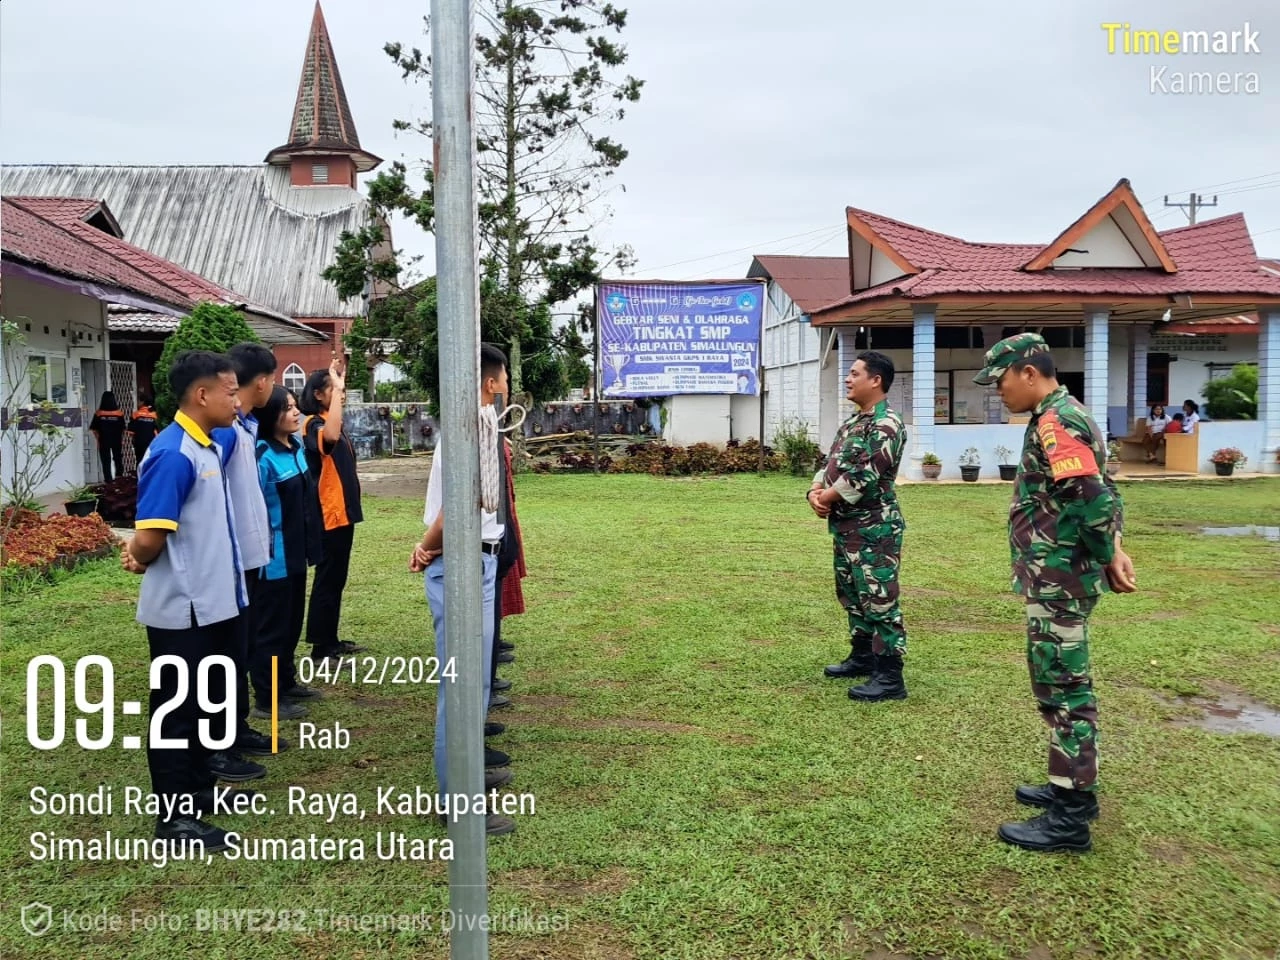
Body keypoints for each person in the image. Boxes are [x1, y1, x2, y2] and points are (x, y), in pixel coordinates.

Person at [973, 332, 1136, 854]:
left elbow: (1090, 497)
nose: (997, 391)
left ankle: (1068, 819)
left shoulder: (1056, 420)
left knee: (1063, 689)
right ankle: (1071, 789)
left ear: (1027, 372)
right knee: (1059, 683)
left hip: (1060, 575)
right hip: (1059, 571)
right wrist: (1116, 544)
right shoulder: (1065, 414)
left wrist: (1110, 551)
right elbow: (1106, 488)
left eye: (999, 381)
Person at [120, 351, 248, 851]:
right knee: (175, 711)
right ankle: (173, 820)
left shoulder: (207, 446)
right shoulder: (174, 453)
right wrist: (136, 554)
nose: (236, 401)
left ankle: (198, 793)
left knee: (204, 704)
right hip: (184, 610)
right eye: (231, 391)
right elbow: (150, 535)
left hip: (215, 603)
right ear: (202, 395)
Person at [409, 343, 516, 837]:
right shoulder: (470, 427)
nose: (508, 388)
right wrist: (427, 547)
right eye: (506, 379)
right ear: (492, 383)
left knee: (475, 684)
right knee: (462, 686)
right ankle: (458, 802)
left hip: (478, 562)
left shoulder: (480, 424)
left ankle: (467, 778)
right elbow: (458, 507)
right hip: (460, 562)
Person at [209, 342, 297, 776]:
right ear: (262, 382)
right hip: (232, 562)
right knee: (226, 654)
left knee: (240, 648)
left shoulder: (243, 426)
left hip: (253, 558)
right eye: (275, 379)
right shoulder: (224, 433)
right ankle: (218, 746)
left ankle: (236, 728)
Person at [810, 351, 909, 702]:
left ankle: (890, 676)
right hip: (847, 526)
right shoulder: (854, 423)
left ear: (876, 380)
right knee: (853, 594)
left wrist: (828, 498)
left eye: (854, 373)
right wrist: (815, 490)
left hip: (874, 529)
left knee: (879, 597)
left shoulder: (887, 424)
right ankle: (863, 656)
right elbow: (830, 463)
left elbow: (865, 475)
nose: (848, 379)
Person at [252, 386, 324, 720]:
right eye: (288, 408)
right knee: (273, 627)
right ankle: (267, 697)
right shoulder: (262, 455)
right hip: (273, 557)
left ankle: (287, 681)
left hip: (297, 552)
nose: (296, 413)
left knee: (293, 621)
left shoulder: (294, 446)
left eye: (296, 406)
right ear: (271, 415)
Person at [299, 359, 366, 662]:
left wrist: (338, 383)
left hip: (343, 512)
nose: (341, 394)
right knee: (328, 578)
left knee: (337, 577)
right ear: (317, 394)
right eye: (334, 390)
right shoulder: (313, 424)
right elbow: (331, 438)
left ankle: (330, 638)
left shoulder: (329, 418)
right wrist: (337, 388)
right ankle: (320, 645)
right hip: (328, 513)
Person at [89, 391, 126, 482]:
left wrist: (98, 438)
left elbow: (94, 429)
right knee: (118, 458)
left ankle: (108, 480)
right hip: (116, 439)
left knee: (106, 460)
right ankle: (119, 477)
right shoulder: (119, 413)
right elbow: (123, 428)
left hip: (104, 440)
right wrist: (121, 438)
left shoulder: (99, 413)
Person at [128, 395, 159, 467]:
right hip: (151, 443)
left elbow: (131, 431)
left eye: (139, 401)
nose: (138, 402)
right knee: (150, 461)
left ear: (142, 402)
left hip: (139, 442)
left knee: (139, 461)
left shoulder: (135, 414)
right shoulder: (154, 415)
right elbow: (157, 431)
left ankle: (140, 477)